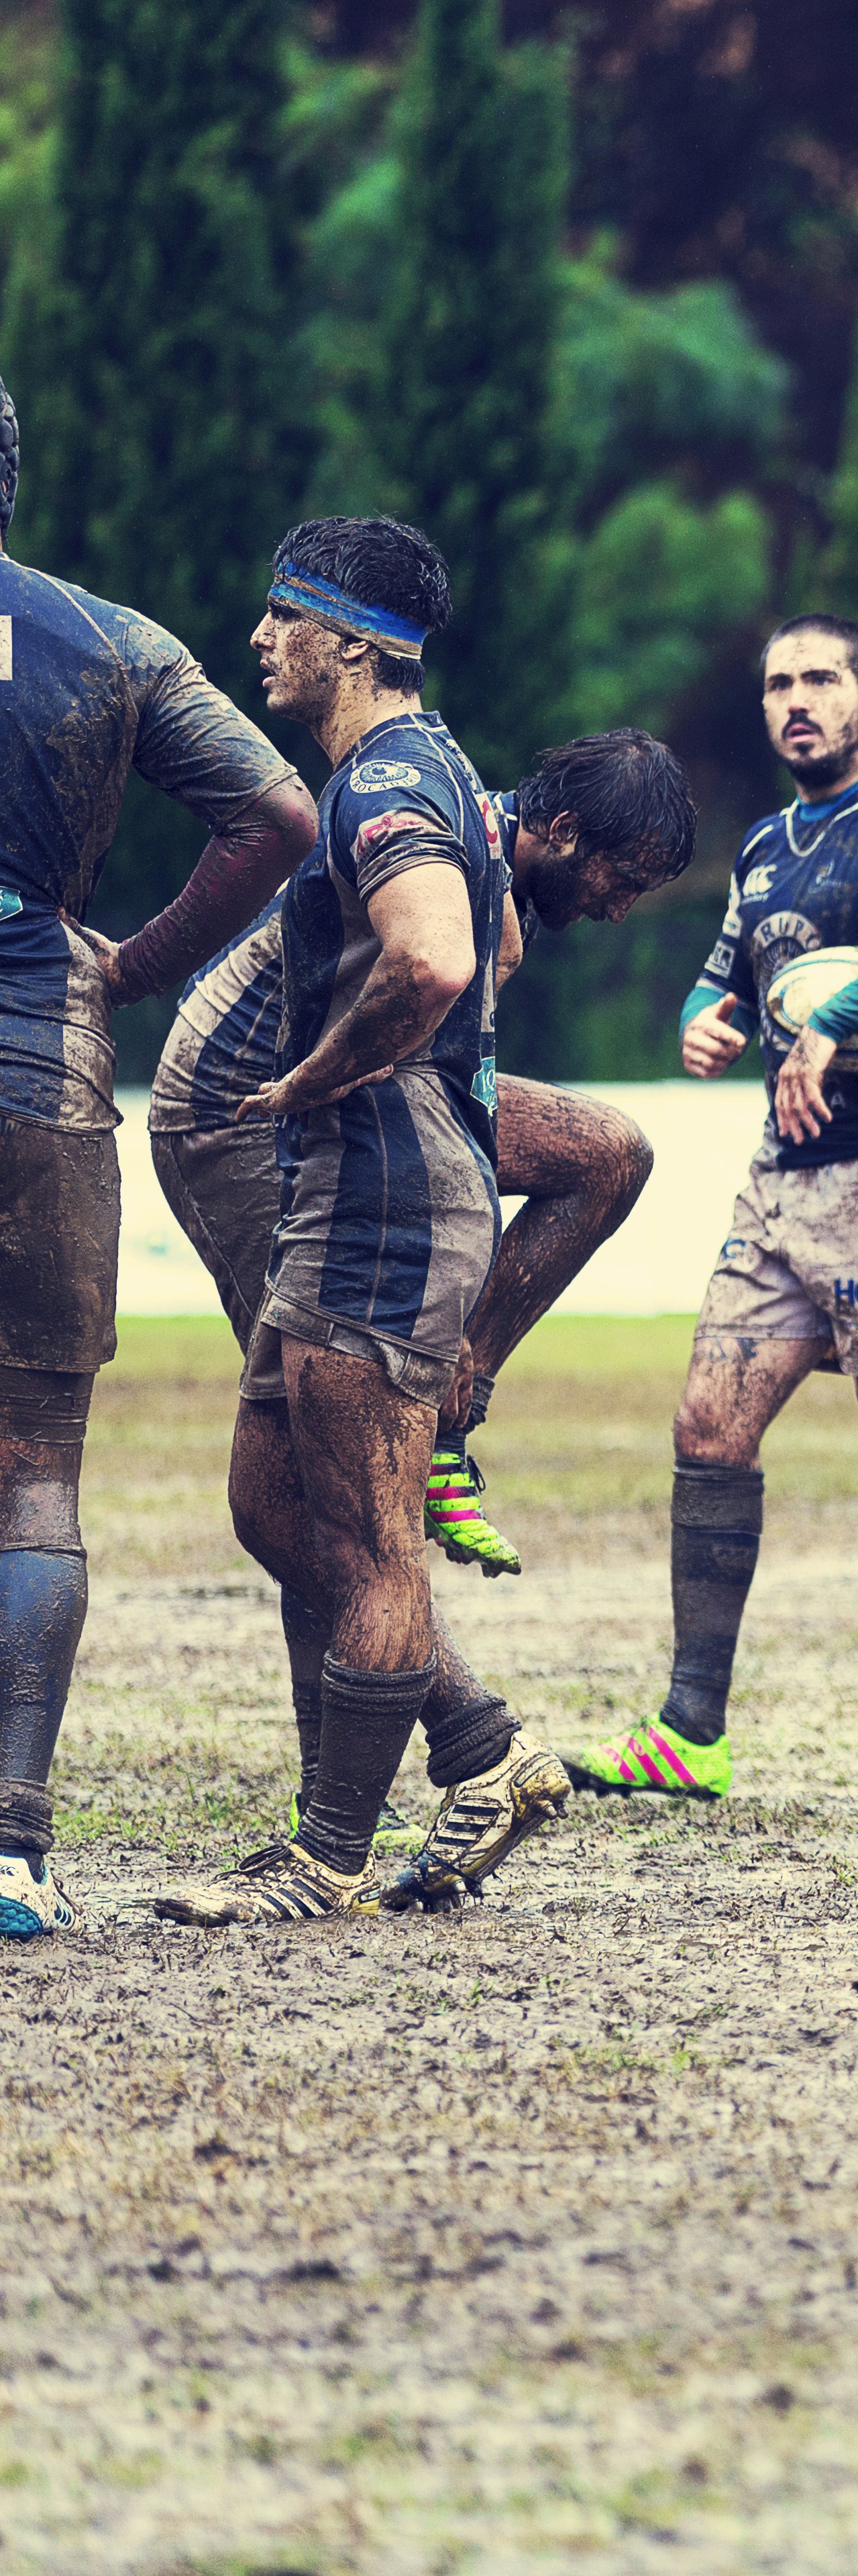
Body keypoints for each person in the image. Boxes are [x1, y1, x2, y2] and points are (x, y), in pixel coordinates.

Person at [159, 518, 696, 1927]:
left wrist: (324, 1073)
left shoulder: (388, 777)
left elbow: (445, 957)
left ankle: (327, 1856)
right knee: (277, 1504)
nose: (260, 641)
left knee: (373, 1533)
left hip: (379, 1191)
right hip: (325, 1166)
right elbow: (486, 942)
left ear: (348, 642)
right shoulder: (431, 767)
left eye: (283, 620)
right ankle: (483, 1749)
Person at [569, 616, 858, 1812]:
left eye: (821, 680)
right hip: (784, 1179)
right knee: (709, 1423)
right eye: (778, 684)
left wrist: (837, 1019)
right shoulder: (766, 844)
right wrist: (703, 1017)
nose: (796, 701)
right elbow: (730, 969)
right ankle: (690, 1732)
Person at [0, 376, 320, 1939]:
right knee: (34, 1471)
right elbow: (277, 811)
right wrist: (124, 962)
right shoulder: (113, 641)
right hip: (43, 1079)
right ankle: (9, 1846)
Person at [152, 737, 682, 1586]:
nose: (620, 910)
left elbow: (435, 1089)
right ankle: (464, 1718)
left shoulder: (493, 869)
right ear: (566, 829)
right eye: (621, 882)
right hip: (245, 1108)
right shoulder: (466, 866)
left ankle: (447, 1418)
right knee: (321, 1452)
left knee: (609, 1155)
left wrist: (455, 1343)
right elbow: (396, 1052)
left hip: (366, 1090)